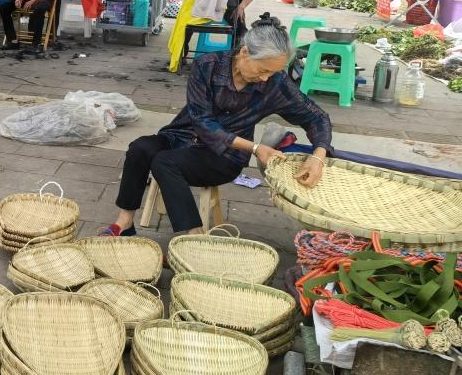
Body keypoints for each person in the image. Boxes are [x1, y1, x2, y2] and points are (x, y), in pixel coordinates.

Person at [101, 14, 331, 236]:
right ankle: (125, 222)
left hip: (225, 157)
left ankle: (192, 234)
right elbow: (202, 122)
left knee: (164, 162)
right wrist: (255, 148)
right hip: (182, 136)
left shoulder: (275, 84)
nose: (265, 78)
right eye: (263, 70)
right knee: (140, 147)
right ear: (244, 52)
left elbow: (317, 117)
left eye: (273, 73)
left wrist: (317, 156)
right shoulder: (207, 66)